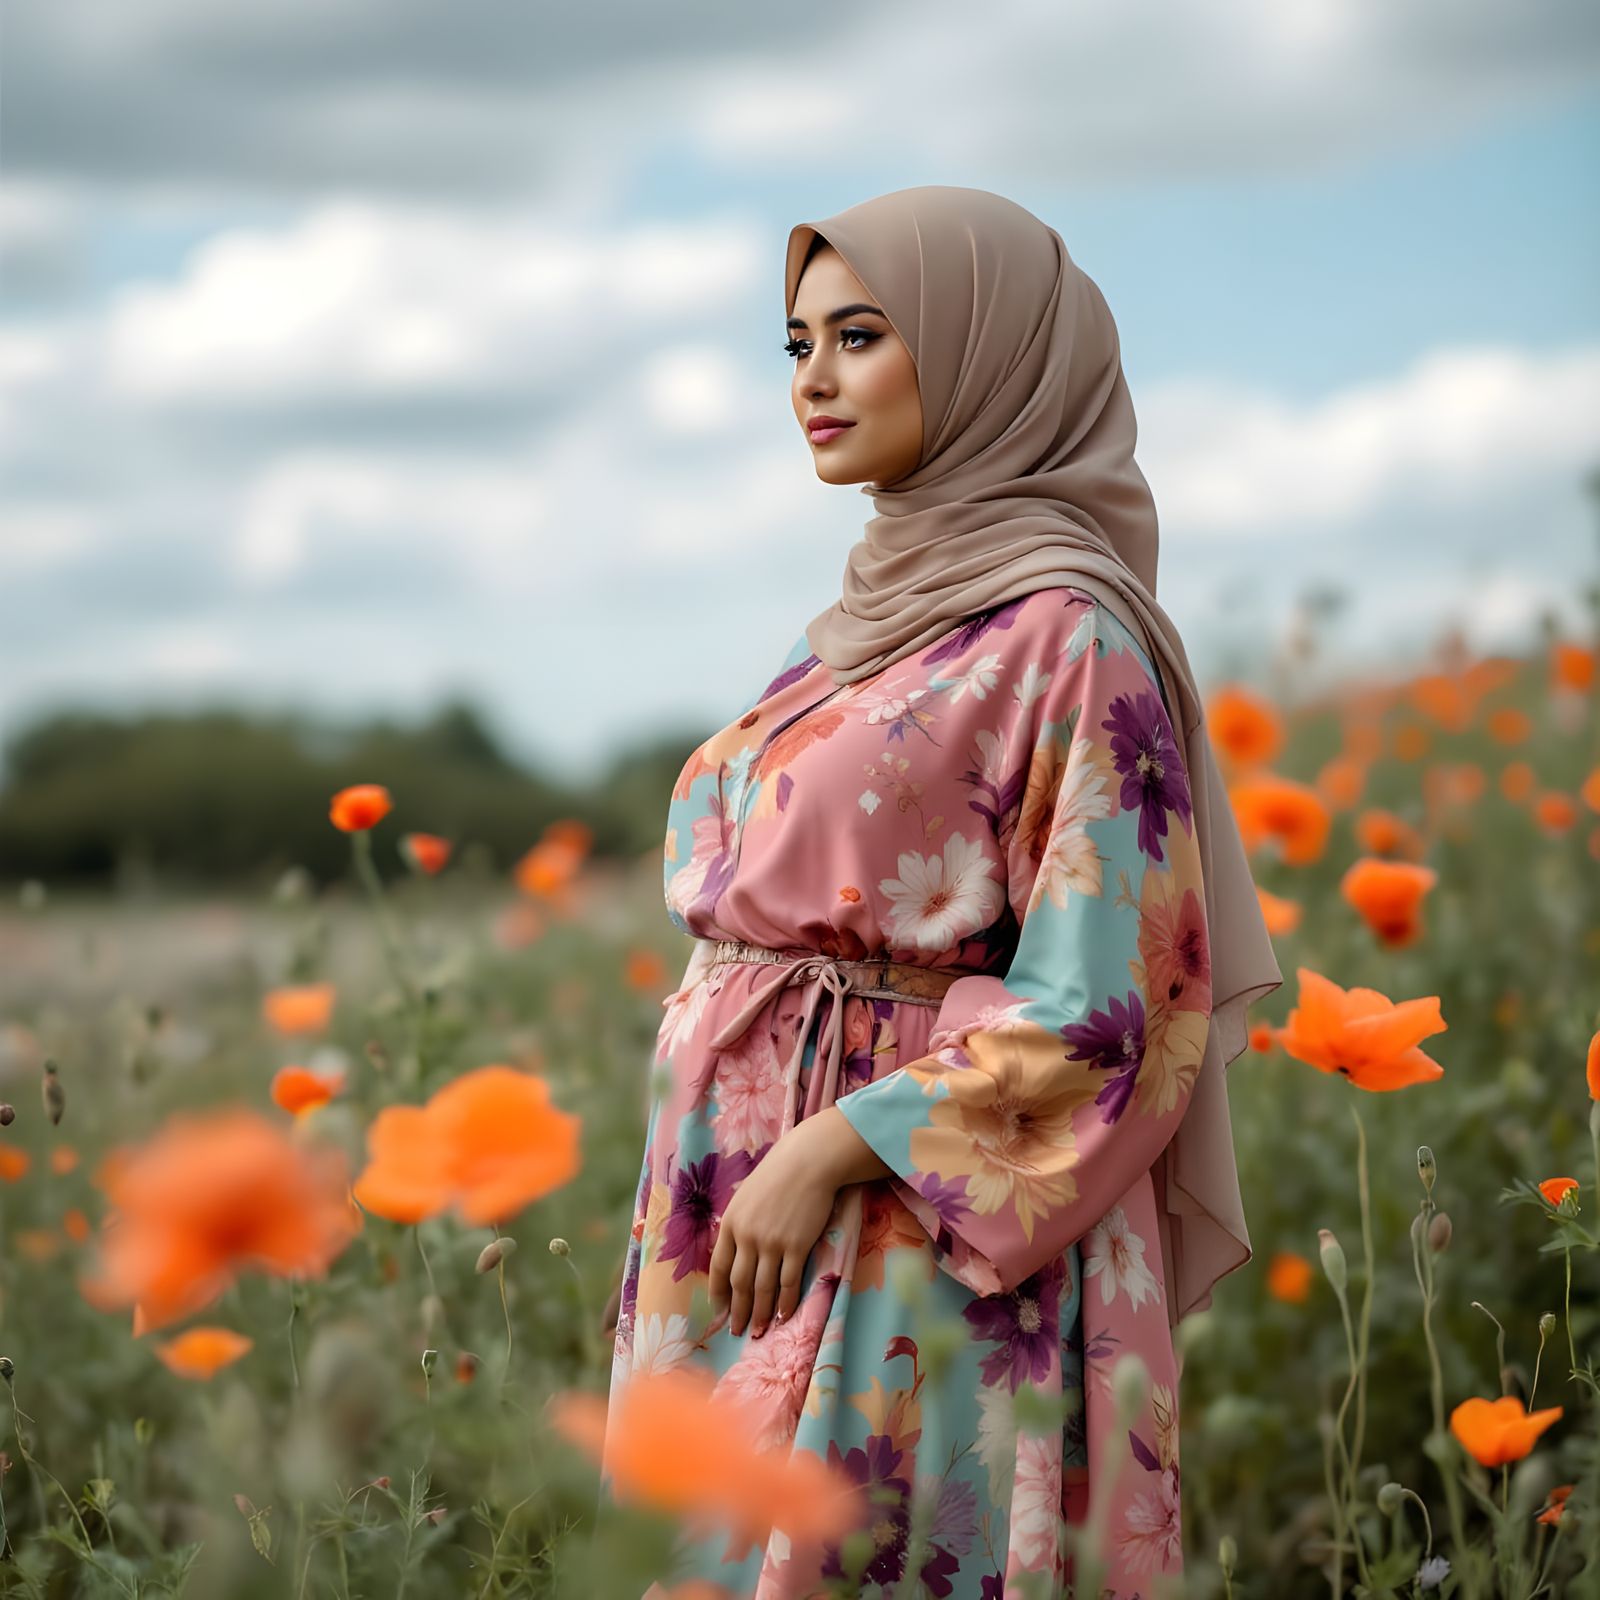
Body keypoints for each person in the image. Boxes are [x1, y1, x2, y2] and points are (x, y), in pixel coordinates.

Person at [599, 185, 1283, 1599]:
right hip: (741, 1213)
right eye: (794, 345)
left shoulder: (1068, 633)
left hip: (902, 1230)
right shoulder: (861, 629)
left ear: (990, 355)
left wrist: (828, 1148)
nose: (815, 380)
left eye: (861, 334)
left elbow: (1117, 1007)